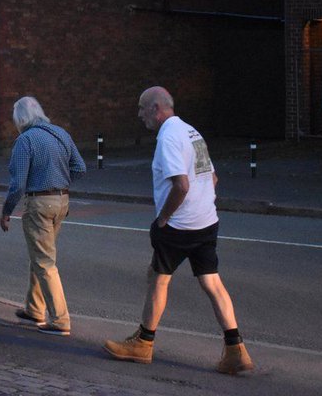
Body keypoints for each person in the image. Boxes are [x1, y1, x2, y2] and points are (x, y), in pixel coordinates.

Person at [103, 86, 254, 375]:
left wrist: (163, 218)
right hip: (206, 222)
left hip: (179, 226)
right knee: (212, 282)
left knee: (158, 279)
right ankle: (236, 349)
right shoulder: (191, 132)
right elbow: (213, 178)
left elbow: (181, 185)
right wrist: (202, 204)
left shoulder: (168, 137)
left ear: (156, 109)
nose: (139, 115)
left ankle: (143, 343)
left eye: (142, 108)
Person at [0, 96, 86, 336]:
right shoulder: (61, 133)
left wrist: (6, 211)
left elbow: (18, 184)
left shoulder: (25, 141)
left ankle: (60, 320)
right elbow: (80, 167)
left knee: (44, 262)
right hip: (62, 200)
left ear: (20, 119)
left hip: (38, 202)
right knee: (40, 256)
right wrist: (61, 182)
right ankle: (34, 308)